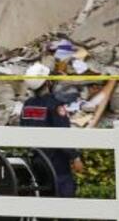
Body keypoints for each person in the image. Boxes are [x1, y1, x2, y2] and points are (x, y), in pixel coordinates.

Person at [19, 63, 84, 199]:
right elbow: (63, 134)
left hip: (36, 161)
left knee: (43, 198)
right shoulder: (55, 104)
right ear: (47, 82)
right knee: (65, 201)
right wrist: (75, 157)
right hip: (57, 162)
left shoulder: (28, 105)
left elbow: (23, 129)